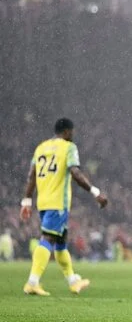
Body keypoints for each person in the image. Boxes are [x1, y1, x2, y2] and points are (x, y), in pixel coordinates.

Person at [20, 118, 108, 296]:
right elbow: (75, 172)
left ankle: (73, 281)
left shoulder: (41, 148)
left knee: (61, 241)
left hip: (43, 201)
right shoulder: (68, 148)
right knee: (48, 239)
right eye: (72, 132)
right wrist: (95, 192)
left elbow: (32, 175)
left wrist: (27, 201)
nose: (73, 135)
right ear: (67, 131)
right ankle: (32, 282)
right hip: (58, 202)